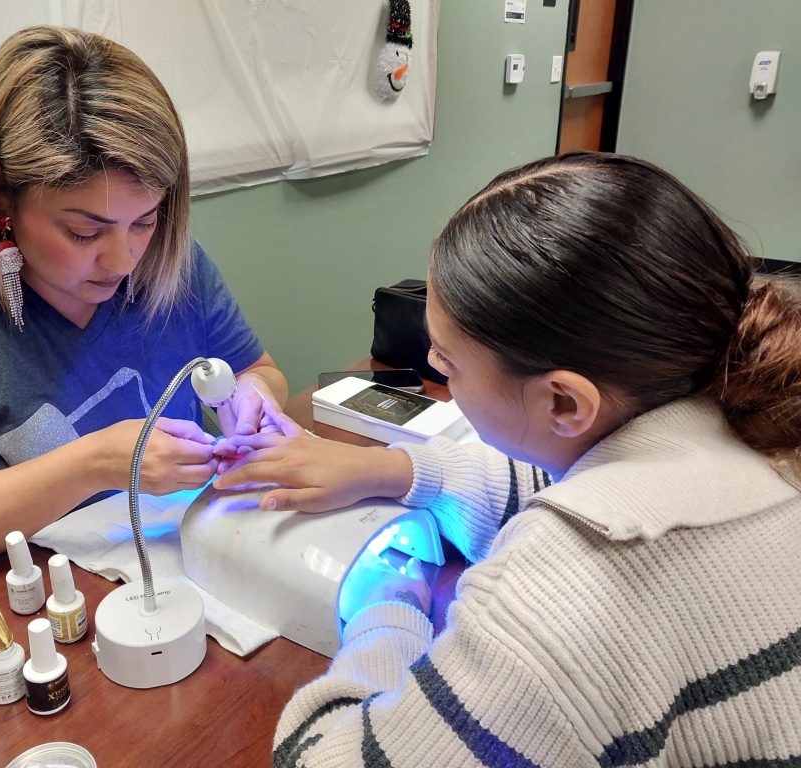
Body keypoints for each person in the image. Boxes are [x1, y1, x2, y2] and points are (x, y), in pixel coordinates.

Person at [214, 152, 801, 766]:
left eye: (447, 364)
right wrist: (394, 469)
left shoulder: (555, 603)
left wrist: (389, 608)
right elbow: (573, 489)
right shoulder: (747, 409)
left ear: (564, 402)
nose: (439, 373)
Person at [0, 25, 288, 581]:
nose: (124, 260)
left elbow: (261, 372)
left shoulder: (170, 259)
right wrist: (101, 463)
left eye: (145, 221)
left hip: (184, 569)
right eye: (85, 232)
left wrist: (248, 397)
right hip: (31, 607)